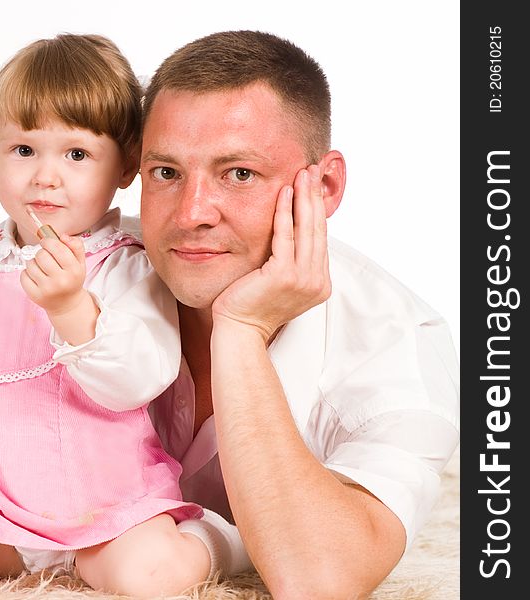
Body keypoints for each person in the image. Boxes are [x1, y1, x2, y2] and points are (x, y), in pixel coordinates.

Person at [0, 34, 244, 598]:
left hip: (109, 511)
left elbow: (141, 379)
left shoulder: (124, 263)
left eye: (77, 154)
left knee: (147, 576)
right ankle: (33, 560)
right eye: (25, 151)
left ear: (127, 164)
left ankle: (221, 539)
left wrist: (71, 307)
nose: (46, 176)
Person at [138, 31, 460, 599]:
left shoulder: (399, 348)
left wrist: (241, 332)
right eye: (166, 172)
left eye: (239, 173)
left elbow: (319, 580)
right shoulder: (89, 268)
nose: (191, 213)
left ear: (327, 185)